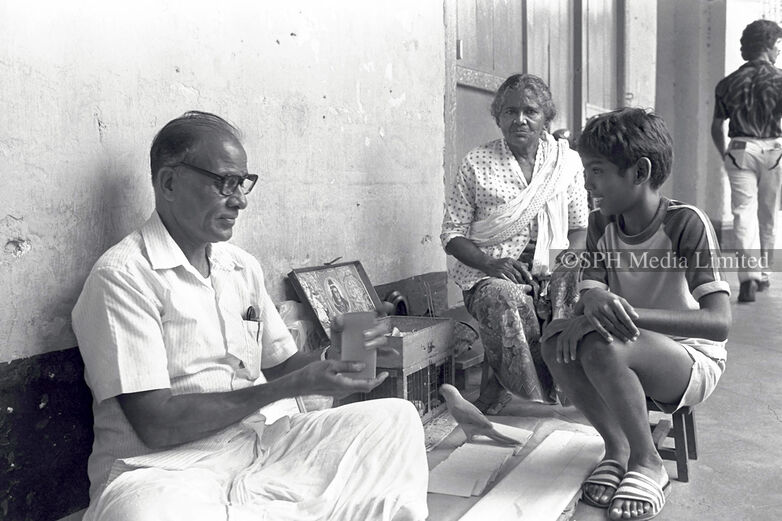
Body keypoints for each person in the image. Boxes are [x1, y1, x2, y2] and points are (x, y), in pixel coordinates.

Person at [71, 111, 428, 521]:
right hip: (164, 471)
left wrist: (338, 356)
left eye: (242, 183)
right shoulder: (123, 277)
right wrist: (288, 386)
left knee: (393, 420)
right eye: (224, 182)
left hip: (253, 446)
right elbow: (157, 426)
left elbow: (283, 367)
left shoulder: (240, 266)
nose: (239, 200)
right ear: (170, 182)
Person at [541, 108, 731, 520]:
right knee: (557, 339)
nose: (588, 183)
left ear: (640, 171)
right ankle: (618, 447)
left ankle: (648, 462)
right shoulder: (599, 224)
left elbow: (719, 324)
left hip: (691, 359)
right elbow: (589, 295)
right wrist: (588, 308)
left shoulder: (686, 224)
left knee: (607, 346)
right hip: (626, 345)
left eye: (598, 171)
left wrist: (625, 315)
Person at [440, 73, 589, 413]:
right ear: (499, 117)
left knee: (583, 289)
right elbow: (451, 234)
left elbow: (580, 229)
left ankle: (574, 387)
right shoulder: (477, 163)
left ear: (545, 117)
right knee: (505, 296)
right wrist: (491, 265)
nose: (519, 119)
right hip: (487, 272)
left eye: (530, 111)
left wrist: (558, 267)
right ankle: (514, 386)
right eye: (509, 112)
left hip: (551, 264)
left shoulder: (566, 163)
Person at [711, 19, 782, 302]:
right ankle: (763, 271)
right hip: (774, 149)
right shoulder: (779, 79)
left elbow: (717, 127)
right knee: (768, 213)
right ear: (769, 46)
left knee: (743, 212)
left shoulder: (728, 83)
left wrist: (726, 155)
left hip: (740, 148)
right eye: (778, 44)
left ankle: (748, 276)